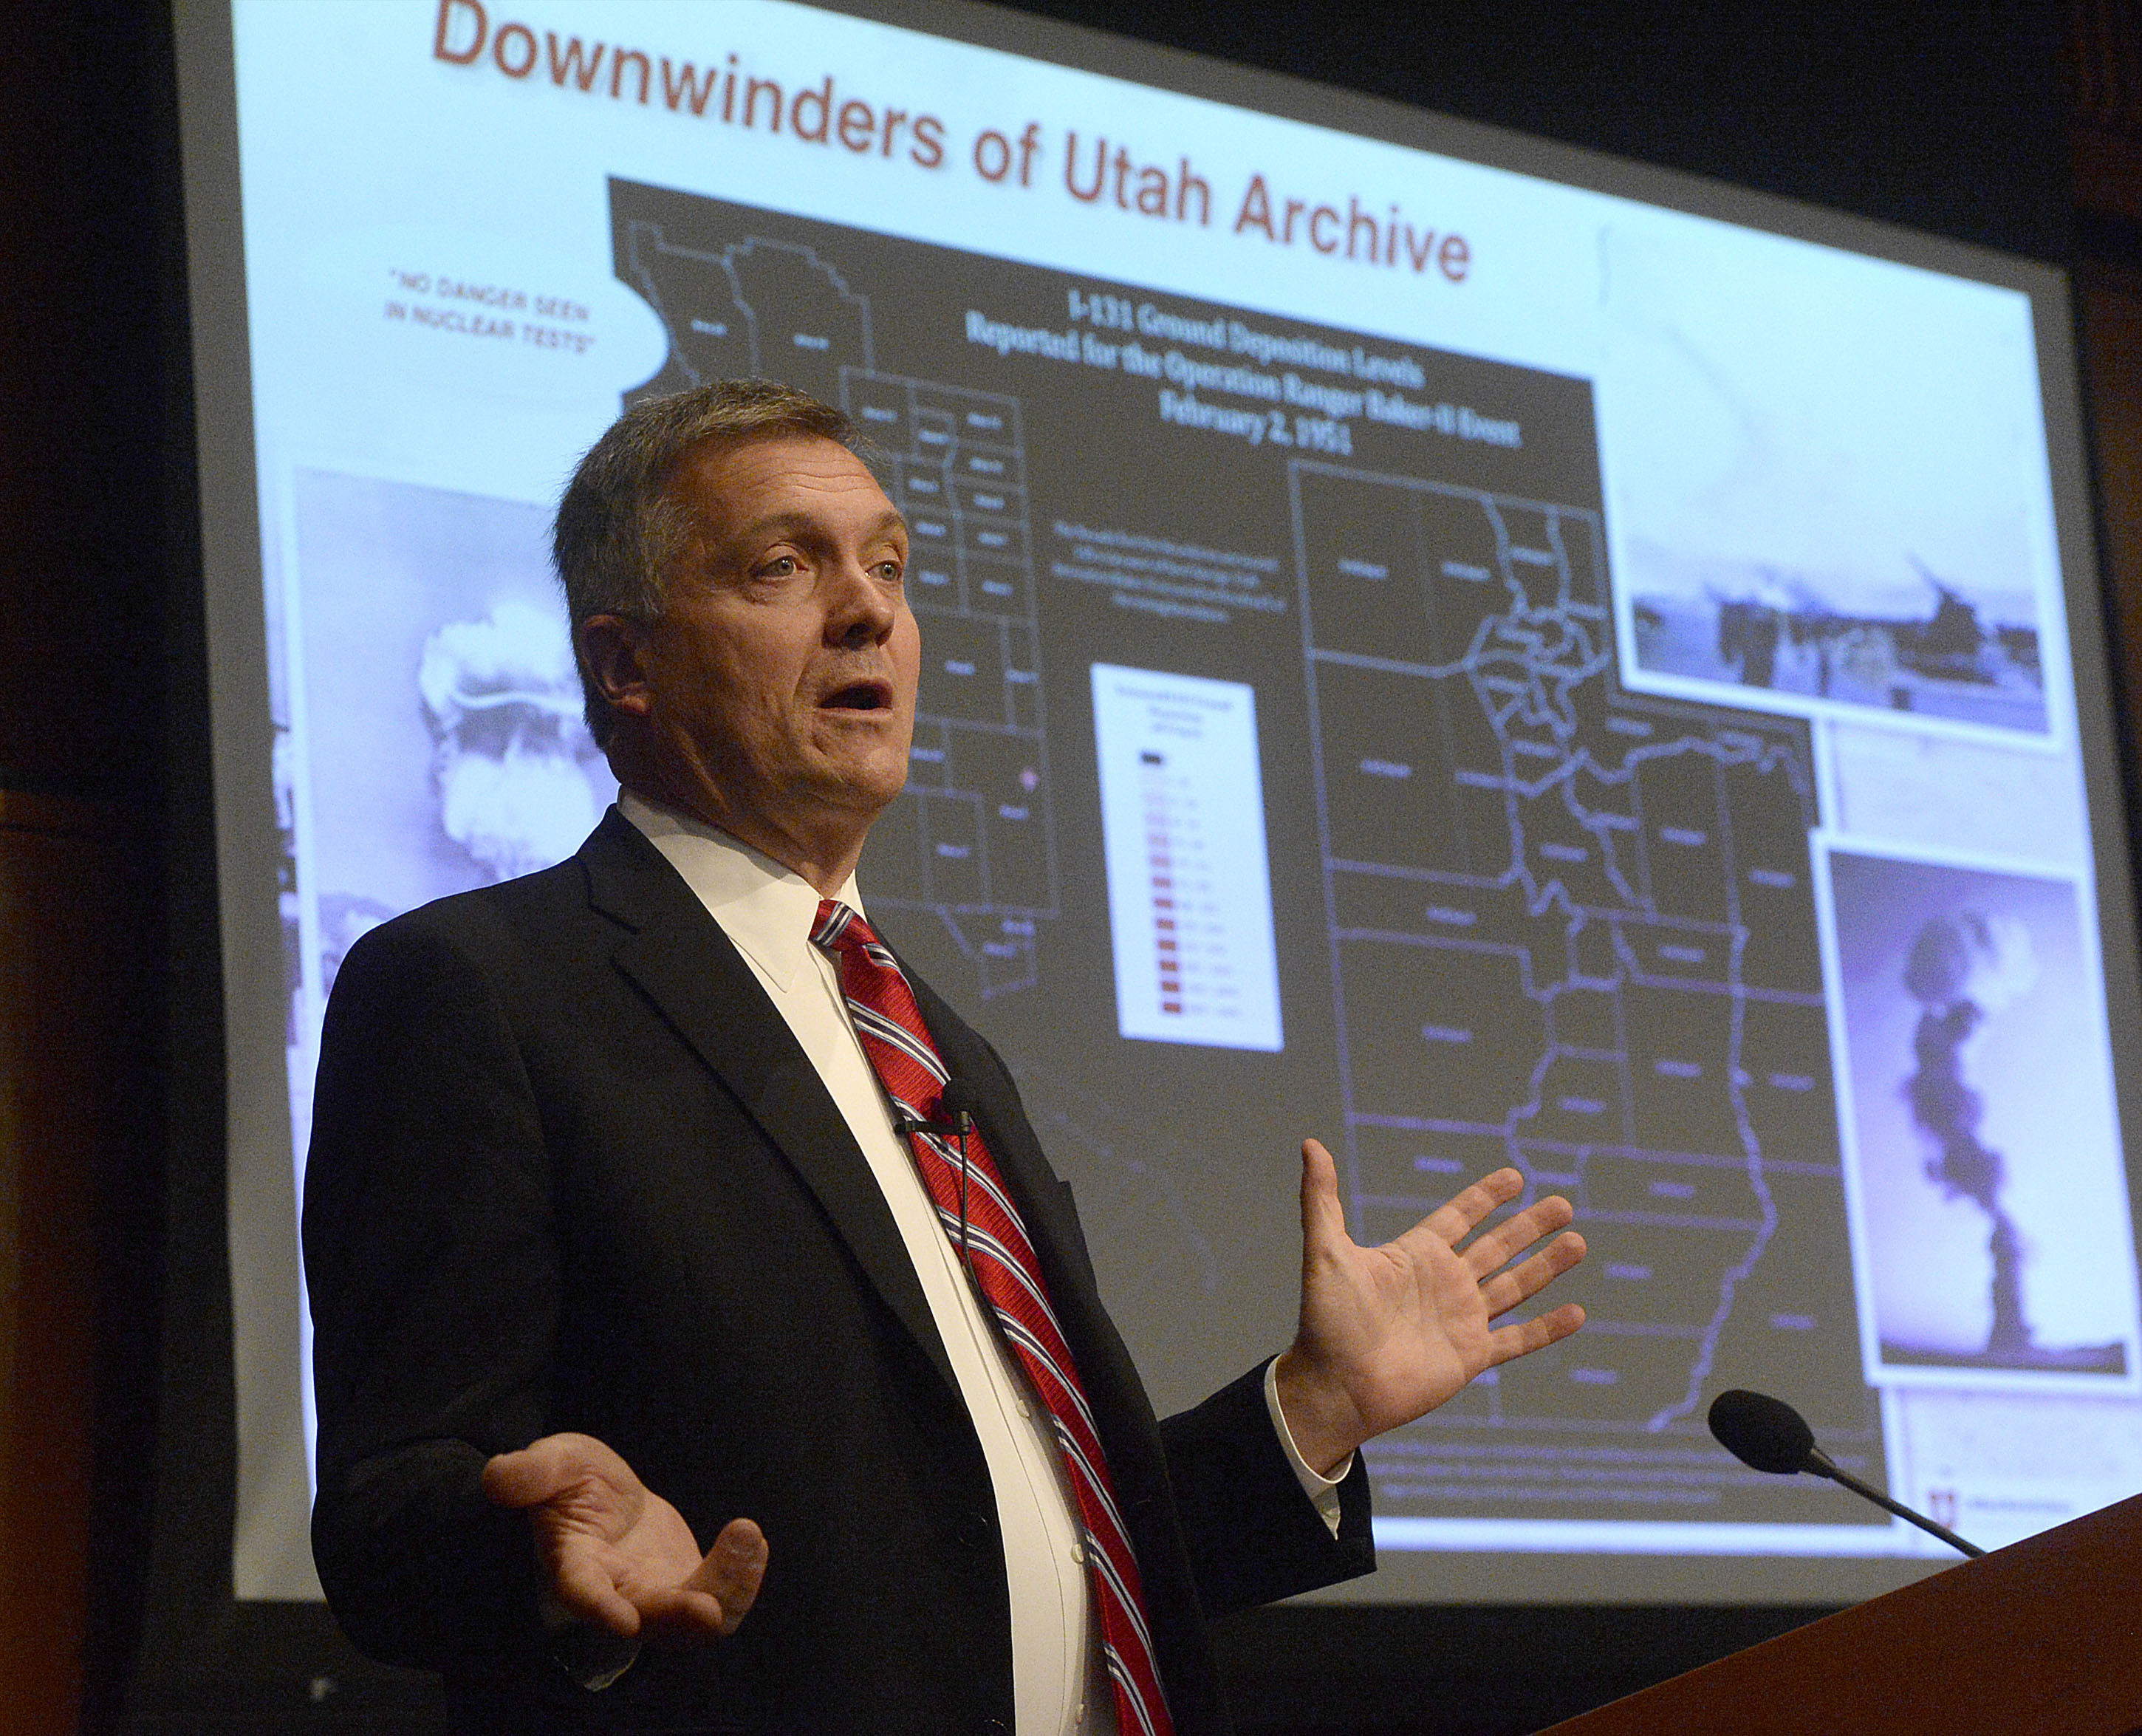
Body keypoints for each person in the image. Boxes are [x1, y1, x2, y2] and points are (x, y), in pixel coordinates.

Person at [303, 380, 1587, 1735]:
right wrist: (538, 1552)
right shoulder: (480, 989)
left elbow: (1019, 1559)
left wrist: (1312, 1409)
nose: (868, 611)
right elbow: (388, 1517)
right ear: (627, 663)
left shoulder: (932, 1037)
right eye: (784, 566)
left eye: (890, 566)